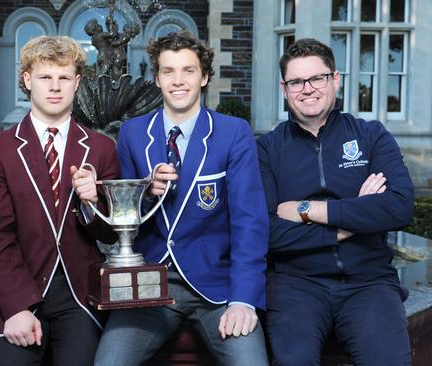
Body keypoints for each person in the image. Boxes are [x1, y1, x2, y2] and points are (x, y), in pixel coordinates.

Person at [93, 30, 270, 366]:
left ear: (203, 77)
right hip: (150, 286)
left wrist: (244, 300)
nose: (178, 81)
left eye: (188, 70)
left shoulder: (234, 132)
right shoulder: (132, 133)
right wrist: (146, 190)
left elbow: (250, 223)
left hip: (217, 289)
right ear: (157, 79)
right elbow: (125, 218)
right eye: (168, 71)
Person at [257, 38, 413, 365]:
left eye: (317, 78)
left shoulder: (371, 135)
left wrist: (308, 209)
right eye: (297, 81)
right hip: (296, 286)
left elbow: (399, 206)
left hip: (368, 283)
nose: (308, 89)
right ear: (285, 89)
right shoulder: (268, 149)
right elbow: (267, 232)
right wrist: (354, 219)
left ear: (335, 79)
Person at [0, 35, 120, 366]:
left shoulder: (101, 148)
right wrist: (15, 307)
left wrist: (92, 201)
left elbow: (112, 233)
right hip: (17, 292)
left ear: (77, 82)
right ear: (27, 80)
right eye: (45, 77)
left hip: (80, 297)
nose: (55, 87)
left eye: (64, 77)